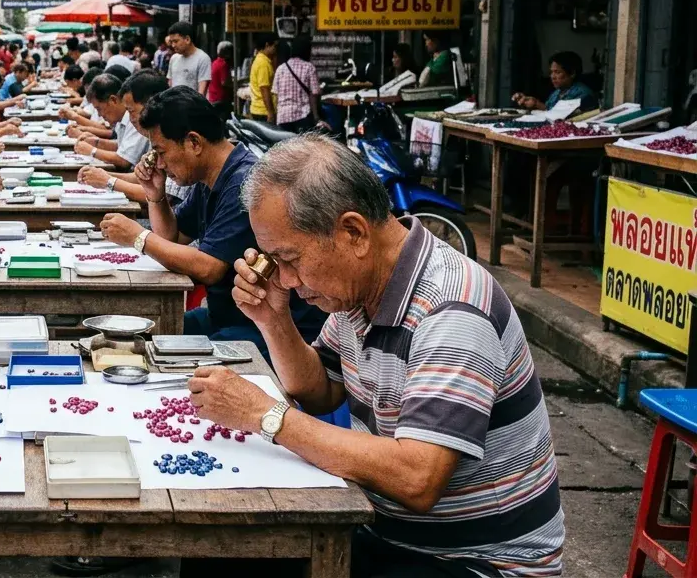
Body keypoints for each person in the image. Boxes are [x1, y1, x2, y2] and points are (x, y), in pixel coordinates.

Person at [203, 134, 564, 576]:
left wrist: (268, 417)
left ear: (353, 232)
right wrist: (272, 319)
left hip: (477, 563)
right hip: (388, 532)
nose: (288, 279)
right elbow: (321, 391)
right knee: (222, 554)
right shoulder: (361, 289)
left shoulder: (450, 309)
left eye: (290, 258)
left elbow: (417, 478)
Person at [98, 87, 323, 355]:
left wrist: (138, 237)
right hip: (227, 315)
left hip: (265, 327)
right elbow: (170, 238)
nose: (158, 163)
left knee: (155, 353)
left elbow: (208, 268)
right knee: (140, 332)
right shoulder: (210, 178)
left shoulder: (246, 182)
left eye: (161, 152)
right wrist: (154, 195)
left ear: (194, 142)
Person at [77, 69, 170, 203]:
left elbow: (165, 196)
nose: (131, 119)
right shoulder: (155, 136)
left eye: (132, 111)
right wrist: (103, 176)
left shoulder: (170, 138)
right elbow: (142, 179)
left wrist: (109, 181)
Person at [72, 73, 149, 170]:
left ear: (113, 100)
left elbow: (124, 160)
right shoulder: (121, 119)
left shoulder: (134, 119)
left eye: (99, 109)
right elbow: (122, 147)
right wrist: (96, 142)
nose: (99, 115)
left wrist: (92, 151)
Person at [512, 50, 598, 113]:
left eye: (557, 72)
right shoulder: (557, 92)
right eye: (551, 72)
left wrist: (537, 104)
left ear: (572, 73)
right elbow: (548, 109)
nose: (552, 76)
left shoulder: (583, 94)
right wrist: (533, 103)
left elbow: (560, 116)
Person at [273, 35, 328, 133]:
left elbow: (276, 95)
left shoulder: (280, 69)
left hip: (283, 118)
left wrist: (277, 114)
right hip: (302, 116)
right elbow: (314, 94)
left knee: (285, 147)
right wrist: (316, 117)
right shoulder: (309, 67)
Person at [166, 22, 211, 97]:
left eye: (176, 41)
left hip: (192, 107)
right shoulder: (174, 58)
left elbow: (202, 92)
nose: (173, 45)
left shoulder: (202, 58)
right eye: (171, 42)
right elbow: (170, 85)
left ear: (187, 39)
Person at [247, 33, 278, 124]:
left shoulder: (262, 60)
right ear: (267, 45)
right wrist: (271, 112)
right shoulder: (263, 63)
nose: (276, 49)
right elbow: (264, 89)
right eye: (275, 46)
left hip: (260, 109)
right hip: (263, 111)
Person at [207, 41, 233, 113]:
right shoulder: (223, 64)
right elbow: (224, 83)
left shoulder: (214, 62)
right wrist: (235, 85)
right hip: (221, 100)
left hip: (213, 98)